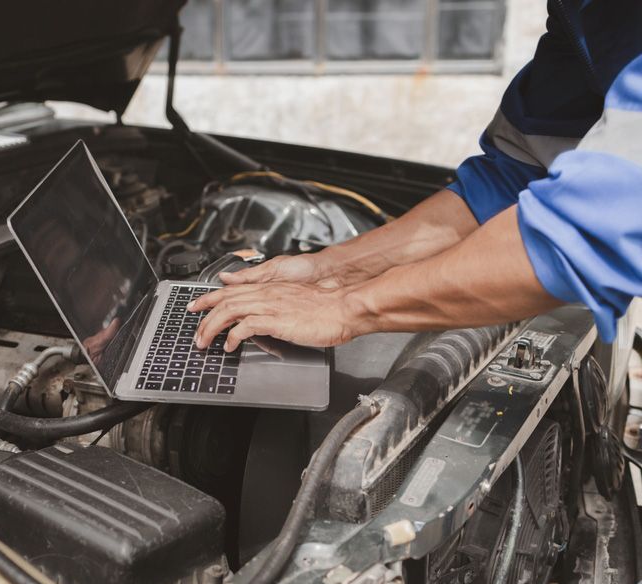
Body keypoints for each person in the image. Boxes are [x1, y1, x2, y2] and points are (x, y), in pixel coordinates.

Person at [189, 2, 642, 354]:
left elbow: (586, 235)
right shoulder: (584, 11)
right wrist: (329, 268)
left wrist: (346, 309)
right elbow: (513, 176)